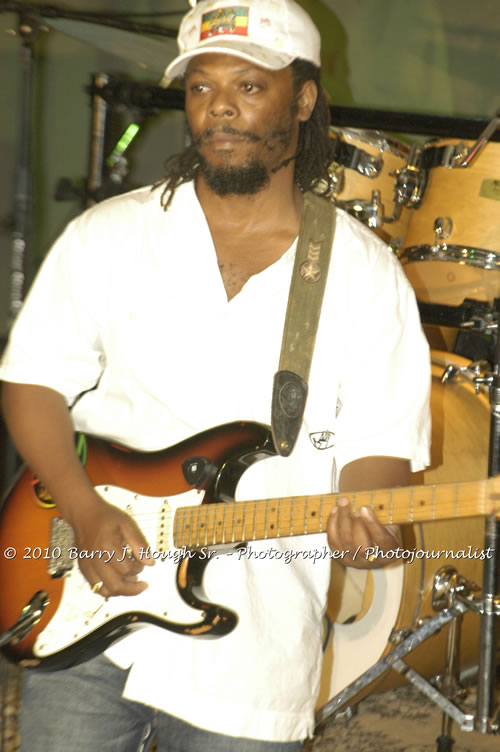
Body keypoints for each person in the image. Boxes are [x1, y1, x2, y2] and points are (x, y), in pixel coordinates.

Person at [0, 0, 431, 749]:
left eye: (249, 86)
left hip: (252, 657)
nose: (219, 108)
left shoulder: (363, 273)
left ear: (303, 99)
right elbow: (31, 382)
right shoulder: (111, 233)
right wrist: (82, 506)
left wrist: (371, 533)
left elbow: (380, 460)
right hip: (86, 612)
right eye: (201, 87)